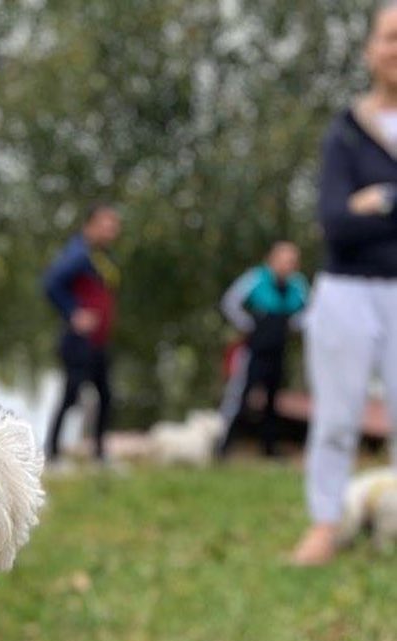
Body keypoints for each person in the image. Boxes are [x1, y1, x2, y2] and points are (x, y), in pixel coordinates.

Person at [292, 0, 397, 564]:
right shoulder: (346, 133)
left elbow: (361, 216)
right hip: (347, 292)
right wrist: (365, 212)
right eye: (390, 37)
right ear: (370, 50)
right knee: (336, 417)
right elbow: (335, 222)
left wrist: (381, 200)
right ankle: (325, 525)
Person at [41, 205, 122, 464]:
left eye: (114, 226)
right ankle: (52, 453)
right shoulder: (78, 254)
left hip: (98, 342)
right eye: (106, 225)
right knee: (71, 395)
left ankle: (99, 453)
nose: (112, 231)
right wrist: (74, 312)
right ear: (90, 225)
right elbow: (51, 282)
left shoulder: (100, 256)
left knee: (106, 395)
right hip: (79, 341)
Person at [216, 242, 309, 458]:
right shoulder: (255, 278)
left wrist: (294, 324)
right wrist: (247, 323)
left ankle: (269, 448)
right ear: (272, 259)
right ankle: (223, 447)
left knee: (273, 399)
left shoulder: (298, 284)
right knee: (240, 395)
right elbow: (230, 301)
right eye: (285, 260)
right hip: (254, 349)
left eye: (293, 261)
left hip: (279, 349)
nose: (289, 265)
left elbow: (311, 310)